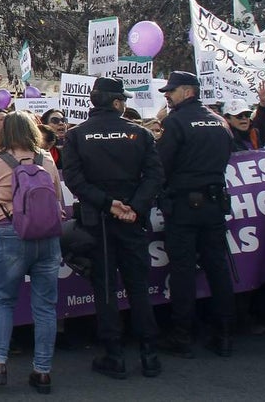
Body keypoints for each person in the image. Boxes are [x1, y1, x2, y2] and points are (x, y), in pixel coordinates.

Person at [61, 77, 164, 380]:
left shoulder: (77, 135)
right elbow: (155, 176)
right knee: (138, 286)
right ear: (117, 102)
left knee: (105, 288)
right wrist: (134, 206)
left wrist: (109, 204)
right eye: (124, 100)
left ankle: (114, 355)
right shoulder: (140, 134)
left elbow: (75, 180)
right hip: (130, 219)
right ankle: (150, 355)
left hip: (100, 221)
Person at [0, 111, 63, 394]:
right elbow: (57, 198)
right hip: (47, 236)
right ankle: (42, 371)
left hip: (11, 231)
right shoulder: (46, 159)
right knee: (46, 307)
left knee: (3, 300)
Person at [156, 71, 236, 358]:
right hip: (215, 204)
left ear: (188, 91)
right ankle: (225, 334)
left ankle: (182, 335)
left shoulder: (176, 121)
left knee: (183, 271)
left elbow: (161, 164)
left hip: (184, 207)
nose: (168, 94)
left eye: (172, 91)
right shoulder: (220, 121)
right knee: (218, 268)